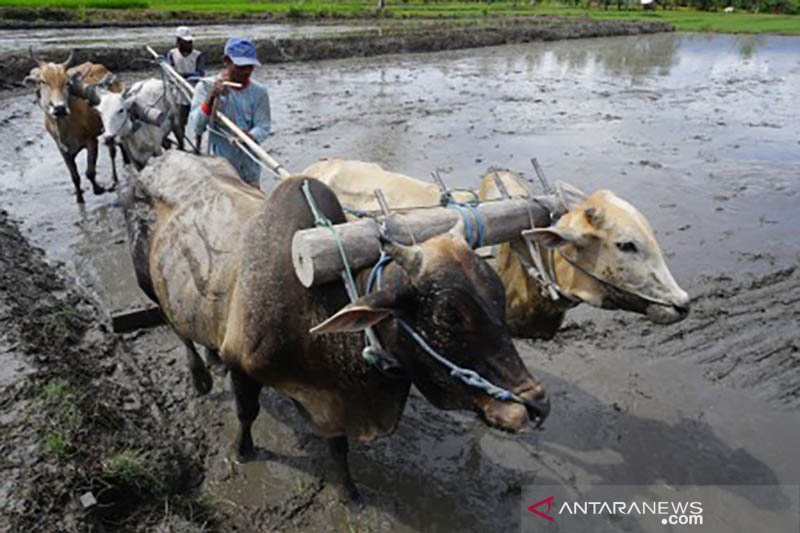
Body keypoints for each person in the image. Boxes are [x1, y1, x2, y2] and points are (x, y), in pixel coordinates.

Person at [188, 37, 271, 188]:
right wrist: (210, 98)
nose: (246, 71)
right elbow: (196, 126)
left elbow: (263, 126)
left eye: (250, 66)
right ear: (226, 61)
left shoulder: (259, 92)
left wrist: (249, 136)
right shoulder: (206, 87)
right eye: (240, 66)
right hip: (221, 171)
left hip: (249, 169)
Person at [166, 26, 205, 150]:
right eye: (186, 42)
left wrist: (184, 75)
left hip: (194, 91)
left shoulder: (198, 55)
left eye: (190, 41)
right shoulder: (172, 54)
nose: (189, 44)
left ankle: (197, 146)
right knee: (179, 122)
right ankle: (181, 144)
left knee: (198, 121)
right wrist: (176, 76)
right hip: (178, 93)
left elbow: (200, 73)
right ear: (178, 42)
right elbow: (169, 72)